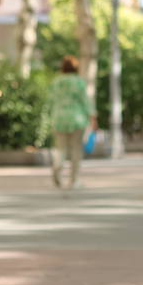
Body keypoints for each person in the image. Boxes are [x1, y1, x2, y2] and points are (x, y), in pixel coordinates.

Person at [48, 55, 94, 190]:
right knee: (75, 151)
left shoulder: (56, 82)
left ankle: (58, 165)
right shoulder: (78, 82)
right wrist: (92, 116)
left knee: (61, 148)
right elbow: (85, 101)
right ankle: (74, 180)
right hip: (76, 118)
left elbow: (51, 100)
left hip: (59, 118)